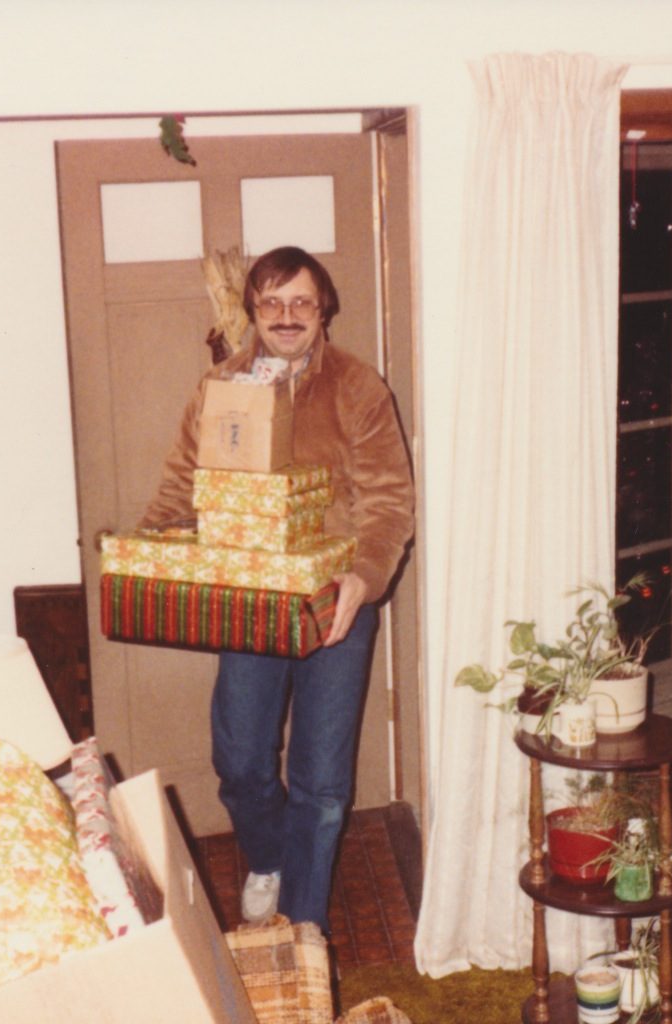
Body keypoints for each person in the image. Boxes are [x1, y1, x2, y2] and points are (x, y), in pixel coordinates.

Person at [139, 246, 415, 934]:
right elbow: (182, 482)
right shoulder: (221, 386)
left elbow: (389, 502)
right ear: (253, 310)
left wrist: (365, 576)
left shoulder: (358, 386)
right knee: (238, 762)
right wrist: (148, 548)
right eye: (272, 303)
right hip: (250, 598)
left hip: (334, 603)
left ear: (323, 310)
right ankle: (269, 857)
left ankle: (302, 932)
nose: (286, 317)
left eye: (301, 302)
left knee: (321, 788)